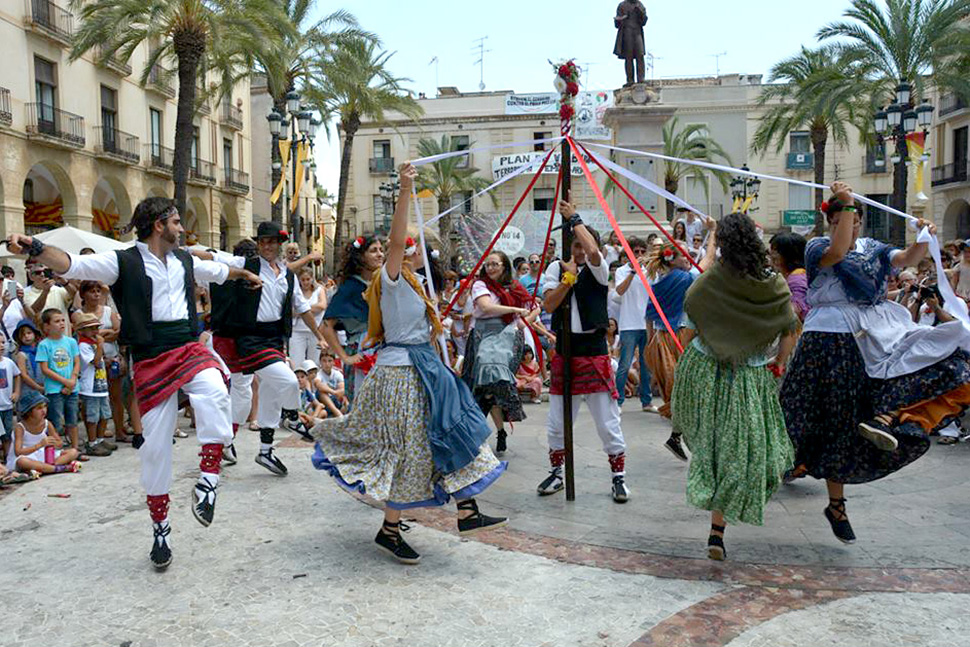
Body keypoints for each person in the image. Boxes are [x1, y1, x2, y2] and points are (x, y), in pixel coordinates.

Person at [6, 196, 261, 569]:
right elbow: (73, 263)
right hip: (149, 357)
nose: (180, 228)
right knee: (155, 449)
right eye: (175, 221)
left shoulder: (186, 260)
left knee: (214, 389)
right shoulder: (121, 261)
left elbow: (221, 270)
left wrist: (247, 274)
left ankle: (208, 480)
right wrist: (38, 247)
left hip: (187, 347)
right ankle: (161, 528)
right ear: (159, 224)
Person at [311, 162, 507, 565]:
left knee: (449, 434)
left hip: (423, 371)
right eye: (411, 246)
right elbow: (396, 241)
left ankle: (465, 510)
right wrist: (405, 190)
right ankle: (394, 528)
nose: (412, 249)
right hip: (401, 373)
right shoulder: (392, 278)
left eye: (417, 247)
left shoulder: (417, 286)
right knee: (409, 451)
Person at [780, 182, 970, 545]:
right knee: (803, 416)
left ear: (860, 223)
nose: (847, 227)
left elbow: (906, 261)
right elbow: (838, 252)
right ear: (831, 220)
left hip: (865, 338)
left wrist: (923, 238)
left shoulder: (873, 248)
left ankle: (838, 503)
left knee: (846, 422)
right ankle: (779, 467)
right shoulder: (818, 246)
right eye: (839, 220)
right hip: (824, 342)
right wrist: (847, 205)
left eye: (851, 221)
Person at [671, 212, 799, 560]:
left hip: (708, 372)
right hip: (750, 378)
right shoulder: (773, 284)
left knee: (716, 450)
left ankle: (716, 528)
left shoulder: (711, 281)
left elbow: (689, 324)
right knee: (750, 453)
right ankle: (717, 529)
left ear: (725, 245)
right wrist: (779, 364)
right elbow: (789, 328)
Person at [211, 222, 328, 476]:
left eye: (271, 241)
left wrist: (319, 335)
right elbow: (213, 257)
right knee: (287, 381)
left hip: (274, 337)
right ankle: (292, 417)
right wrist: (184, 251)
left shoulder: (287, 274)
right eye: (262, 241)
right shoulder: (246, 265)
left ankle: (265, 451)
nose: (266, 245)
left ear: (279, 244)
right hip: (250, 338)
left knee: (270, 389)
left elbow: (303, 308)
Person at [538, 196, 629, 503]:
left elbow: (591, 250)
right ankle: (557, 473)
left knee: (607, 421)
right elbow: (549, 304)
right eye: (573, 245)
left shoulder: (600, 268)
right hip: (566, 352)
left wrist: (574, 217)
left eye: (582, 244)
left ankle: (618, 477)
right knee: (556, 423)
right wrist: (567, 278)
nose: (579, 250)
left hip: (593, 351)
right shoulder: (557, 268)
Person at [463, 250, 535, 455]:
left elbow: (531, 311)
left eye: (495, 264)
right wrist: (515, 311)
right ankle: (494, 432)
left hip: (506, 339)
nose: (490, 268)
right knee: (482, 389)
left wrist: (520, 322)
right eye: (488, 264)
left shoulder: (514, 288)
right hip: (483, 338)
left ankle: (490, 434)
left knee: (491, 387)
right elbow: (486, 307)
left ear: (504, 266)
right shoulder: (480, 285)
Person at [320, 235, 385, 406]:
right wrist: (344, 357)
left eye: (381, 250)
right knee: (363, 404)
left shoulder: (383, 283)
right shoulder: (350, 287)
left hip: (385, 351)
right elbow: (326, 326)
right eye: (373, 251)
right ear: (361, 257)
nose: (380, 254)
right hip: (362, 352)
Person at [74, 280, 127, 444]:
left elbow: (118, 332)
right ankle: (94, 438)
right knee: (90, 400)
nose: (96, 294)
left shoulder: (108, 310)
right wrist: (104, 336)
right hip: (92, 359)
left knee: (115, 396)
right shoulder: (78, 313)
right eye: (92, 291)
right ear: (83, 294)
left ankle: (119, 431)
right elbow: (81, 335)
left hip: (112, 356)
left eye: (98, 291)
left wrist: (101, 336)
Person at [613, 237, 654, 412]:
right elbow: (620, 290)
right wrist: (633, 272)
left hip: (645, 324)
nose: (639, 255)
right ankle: (618, 401)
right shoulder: (622, 271)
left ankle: (646, 401)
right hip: (628, 324)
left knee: (646, 365)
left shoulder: (650, 271)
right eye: (635, 251)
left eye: (642, 252)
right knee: (624, 364)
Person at [36, 309, 82, 457]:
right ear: (46, 327)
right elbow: (45, 369)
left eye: (63, 320)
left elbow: (76, 362)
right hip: (55, 389)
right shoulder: (44, 345)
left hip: (72, 387)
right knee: (55, 421)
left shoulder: (71, 341)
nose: (61, 324)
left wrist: (72, 380)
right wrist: (65, 382)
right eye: (57, 321)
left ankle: (75, 449)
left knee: (72, 419)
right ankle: (55, 451)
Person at [6, 390, 81, 476]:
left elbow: (60, 443)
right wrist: (39, 445)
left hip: (43, 455)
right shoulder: (20, 427)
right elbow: (18, 452)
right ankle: (59, 468)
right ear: (29, 412)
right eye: (39, 408)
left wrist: (54, 443)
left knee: (73, 452)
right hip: (26, 456)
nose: (43, 410)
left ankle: (44, 468)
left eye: (44, 407)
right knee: (22, 462)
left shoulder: (47, 423)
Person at [75, 312, 115, 457]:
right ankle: (92, 442)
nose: (95, 332)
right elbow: (95, 362)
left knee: (105, 414)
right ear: (82, 331)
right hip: (90, 387)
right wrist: (99, 346)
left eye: (96, 328)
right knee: (92, 416)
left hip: (101, 386)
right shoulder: (84, 345)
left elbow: (101, 360)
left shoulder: (94, 344)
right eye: (91, 328)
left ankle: (100, 439)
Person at [23, 263, 77, 334]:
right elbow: (34, 311)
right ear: (31, 277)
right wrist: (45, 291)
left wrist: (65, 283)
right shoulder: (25, 292)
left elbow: (76, 296)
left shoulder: (58, 290)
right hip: (43, 339)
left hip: (64, 338)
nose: (42, 274)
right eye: (37, 273)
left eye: (45, 271)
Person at [289, 268, 328, 365]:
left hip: (315, 331)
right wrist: (311, 310)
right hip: (297, 331)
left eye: (308, 279)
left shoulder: (319, 290)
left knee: (314, 362)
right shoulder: (295, 292)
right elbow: (290, 312)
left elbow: (322, 305)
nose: (305, 282)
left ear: (312, 279)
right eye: (303, 280)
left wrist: (302, 309)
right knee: (296, 361)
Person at [769, 232, 809, 321]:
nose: (771, 263)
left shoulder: (796, 278)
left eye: (775, 259)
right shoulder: (799, 275)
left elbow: (797, 309)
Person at [0, 335, 21, 463]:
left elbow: (17, 375)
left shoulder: (9, 362)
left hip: (7, 406)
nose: (1, 346)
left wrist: (16, 392)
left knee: (7, 434)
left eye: (3, 342)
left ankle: (8, 459)